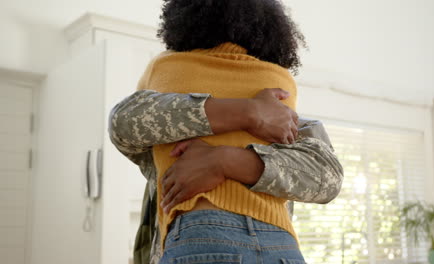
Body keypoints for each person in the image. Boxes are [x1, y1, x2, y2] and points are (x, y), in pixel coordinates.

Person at [108, 0, 344, 263]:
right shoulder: (281, 88)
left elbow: (124, 120)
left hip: (200, 233)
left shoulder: (165, 69)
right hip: (281, 244)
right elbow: (327, 180)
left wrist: (223, 160)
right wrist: (250, 112)